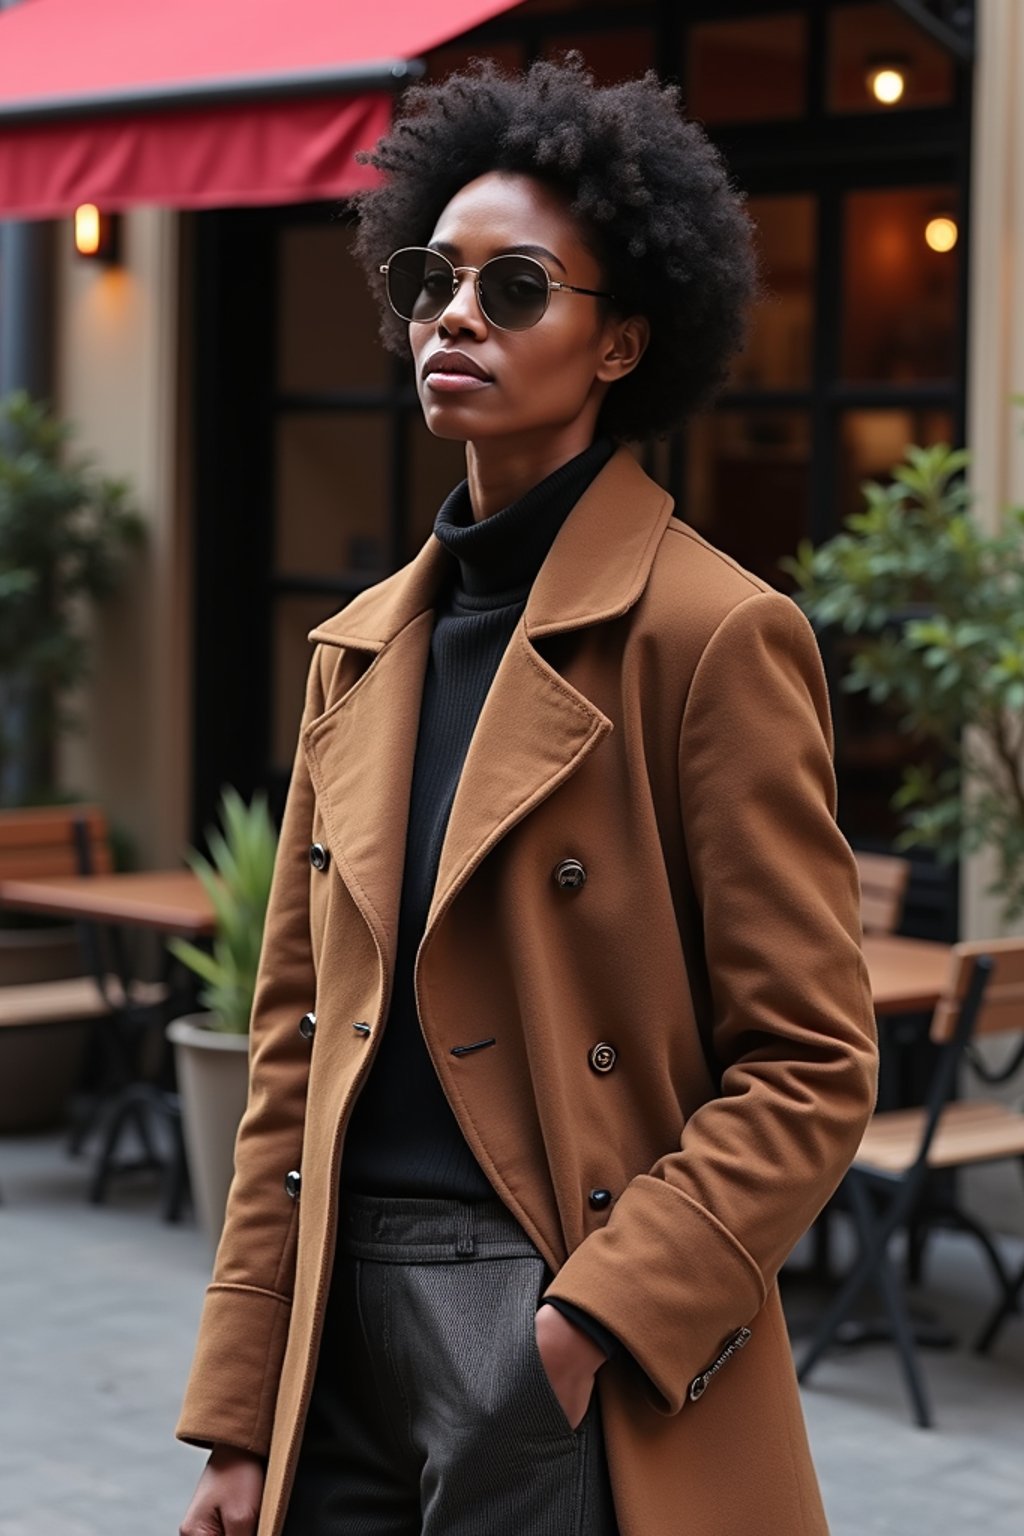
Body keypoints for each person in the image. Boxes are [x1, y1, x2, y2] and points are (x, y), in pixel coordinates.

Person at [177, 55, 877, 1536]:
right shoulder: (358, 648)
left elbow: (811, 1063)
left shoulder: (711, 634)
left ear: (623, 342)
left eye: (516, 291)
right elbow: (292, 1057)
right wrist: (241, 1413)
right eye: (436, 280)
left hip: (548, 1299)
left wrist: (585, 1327)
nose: (454, 317)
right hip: (332, 1322)